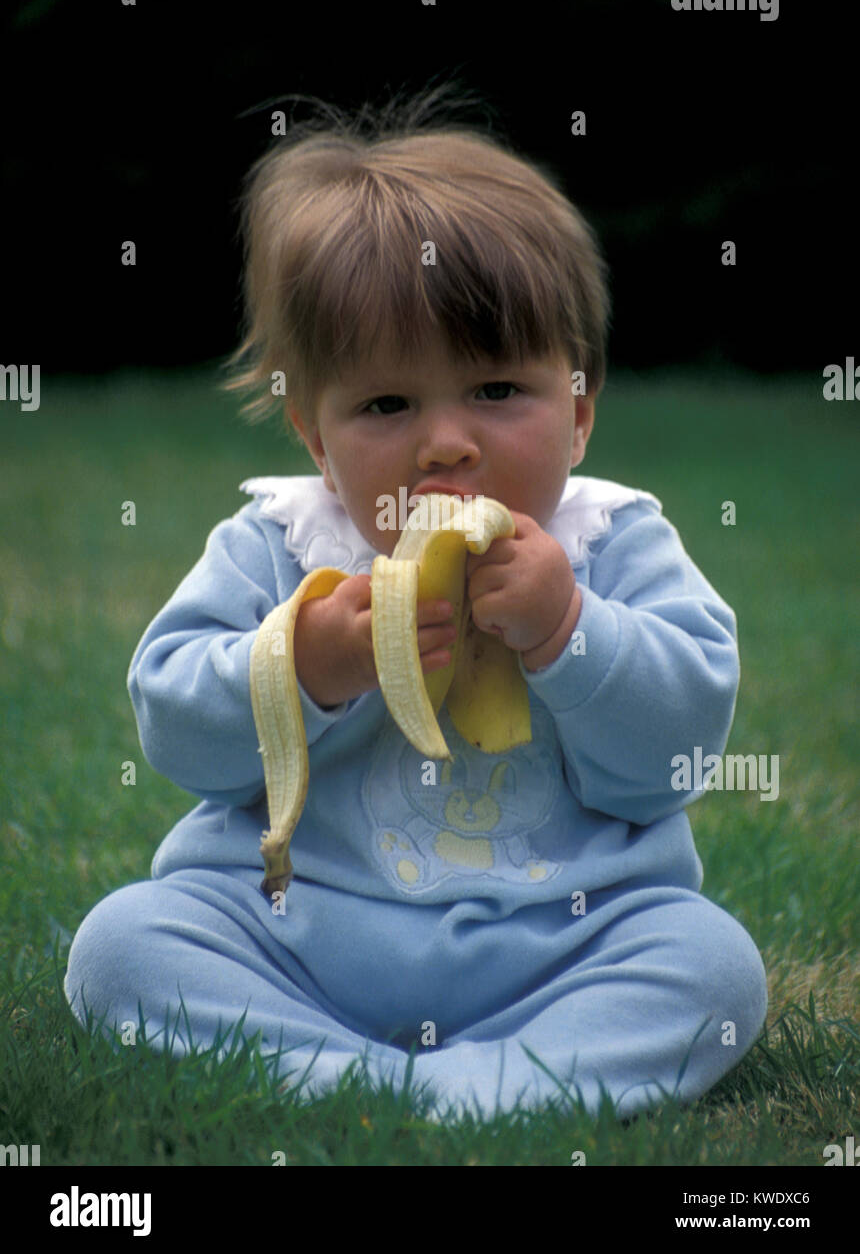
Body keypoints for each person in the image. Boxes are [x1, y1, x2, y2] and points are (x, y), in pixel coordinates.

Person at [64, 88, 767, 1121]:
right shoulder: (281, 543)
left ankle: (473, 1087)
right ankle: (357, 1077)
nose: (445, 442)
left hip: (560, 942)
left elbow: (676, 750)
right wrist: (301, 664)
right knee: (121, 943)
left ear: (576, 410)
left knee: (711, 964)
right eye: (387, 404)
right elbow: (175, 728)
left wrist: (570, 633)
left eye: (494, 391)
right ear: (314, 433)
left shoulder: (611, 546)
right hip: (300, 931)